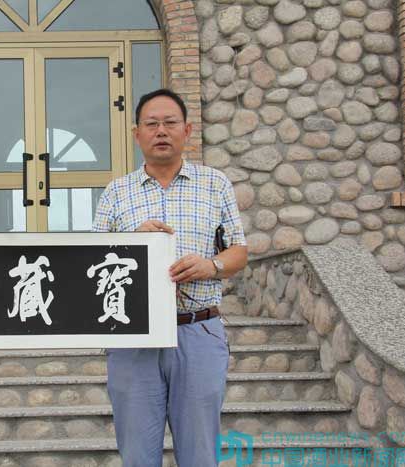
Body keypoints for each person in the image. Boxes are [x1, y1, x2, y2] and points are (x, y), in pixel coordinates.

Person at [92, 88, 248, 467]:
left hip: (197, 330)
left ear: (187, 130)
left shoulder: (215, 184)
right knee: (137, 456)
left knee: (200, 455)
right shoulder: (116, 192)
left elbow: (239, 252)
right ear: (137, 134)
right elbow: (92, 263)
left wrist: (211, 266)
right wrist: (132, 244)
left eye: (170, 123)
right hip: (134, 338)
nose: (161, 131)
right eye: (151, 124)